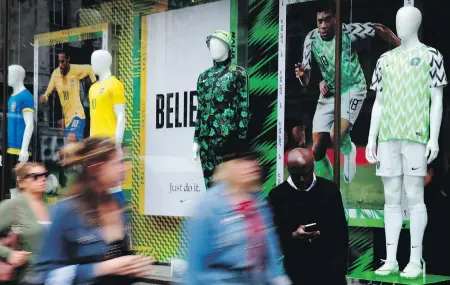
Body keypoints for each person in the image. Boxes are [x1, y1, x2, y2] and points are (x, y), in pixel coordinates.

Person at [295, 2, 400, 183]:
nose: (323, 25)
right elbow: (306, 80)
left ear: (336, 19)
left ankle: (348, 150)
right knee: (317, 149)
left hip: (353, 88)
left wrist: (401, 46)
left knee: (337, 135)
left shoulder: (349, 32)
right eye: (319, 21)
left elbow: (378, 28)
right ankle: (328, 187)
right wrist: (304, 76)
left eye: (327, 20)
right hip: (329, 94)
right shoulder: (311, 39)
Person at [35, 137, 153, 285]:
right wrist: (101, 268)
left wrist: (134, 267)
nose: (125, 167)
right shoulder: (66, 211)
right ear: (96, 168)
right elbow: (48, 276)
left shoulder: (119, 206)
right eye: (118, 163)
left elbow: (119, 263)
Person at [186, 140, 291, 285]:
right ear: (228, 167)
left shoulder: (258, 203)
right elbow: (194, 270)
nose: (252, 165)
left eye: (253, 160)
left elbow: (271, 251)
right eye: (244, 161)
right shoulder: (208, 207)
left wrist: (279, 278)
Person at [268, 148, 348, 285]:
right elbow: (272, 236)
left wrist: (340, 268)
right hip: (297, 271)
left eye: (306, 174)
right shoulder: (277, 196)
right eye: (297, 175)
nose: (302, 179)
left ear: (313, 167)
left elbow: (341, 232)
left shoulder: (330, 190)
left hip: (330, 272)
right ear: (288, 170)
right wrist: (293, 235)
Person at [0, 162, 50, 285]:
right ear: (21, 182)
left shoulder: (51, 208)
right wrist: (9, 254)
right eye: (35, 176)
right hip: (26, 278)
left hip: (53, 277)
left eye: (45, 175)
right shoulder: (12, 206)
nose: (43, 179)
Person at [39, 50, 97, 143]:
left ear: (68, 59)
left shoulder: (75, 69)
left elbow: (89, 68)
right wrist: (45, 96)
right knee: (73, 146)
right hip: (67, 119)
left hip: (78, 115)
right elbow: (48, 91)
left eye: (63, 61)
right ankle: (84, 154)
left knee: (71, 139)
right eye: (59, 62)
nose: (61, 64)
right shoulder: (55, 74)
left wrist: (95, 85)